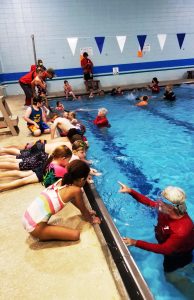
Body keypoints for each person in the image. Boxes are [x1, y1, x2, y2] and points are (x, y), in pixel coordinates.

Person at [118, 182, 194, 273]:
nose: (159, 202)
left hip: (177, 255)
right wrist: (130, 191)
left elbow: (164, 249)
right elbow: (149, 202)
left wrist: (135, 242)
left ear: (171, 207)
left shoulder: (181, 230)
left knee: (171, 277)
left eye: (162, 201)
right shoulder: (165, 210)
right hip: (168, 240)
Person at [22, 160, 101, 241]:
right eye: (85, 179)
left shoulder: (61, 181)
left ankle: (45, 232)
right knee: (75, 235)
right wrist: (92, 220)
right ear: (81, 179)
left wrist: (87, 211)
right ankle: (42, 234)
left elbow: (77, 202)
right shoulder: (76, 190)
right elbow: (83, 211)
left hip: (26, 217)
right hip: (34, 228)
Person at [0, 144, 72, 192]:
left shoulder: (52, 158)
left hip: (41, 166)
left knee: (20, 173)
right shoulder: (60, 168)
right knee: (23, 180)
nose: (68, 162)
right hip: (40, 173)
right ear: (63, 158)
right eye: (68, 160)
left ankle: (2, 181)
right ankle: (2, 186)